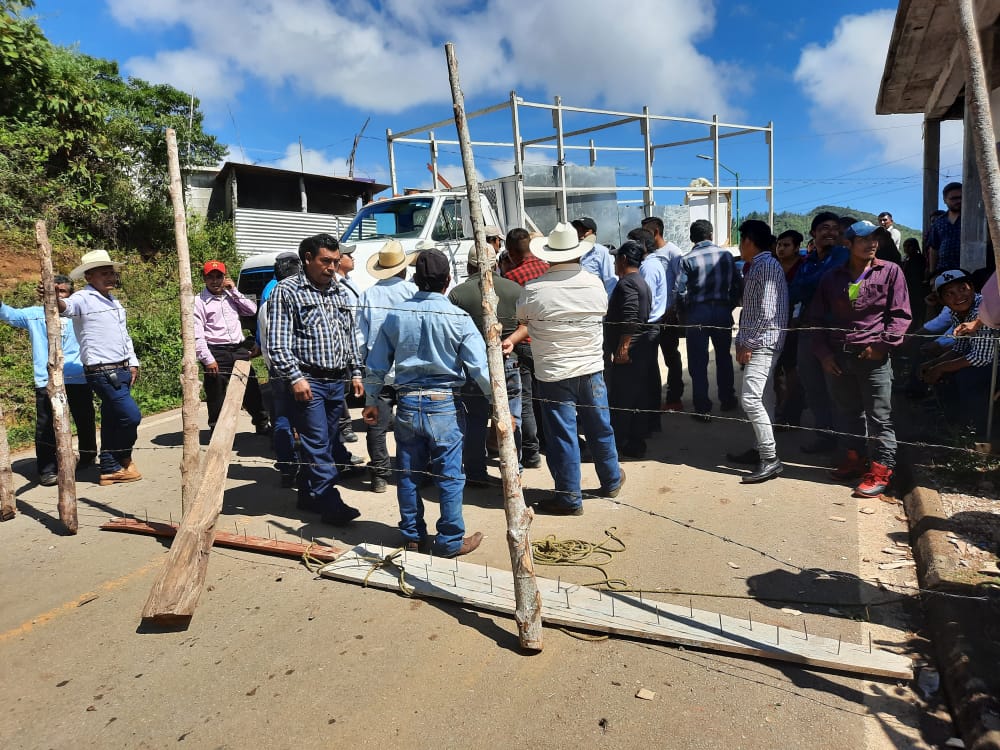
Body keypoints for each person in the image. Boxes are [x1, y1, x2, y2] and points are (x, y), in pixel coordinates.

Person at [363, 249, 487, 557]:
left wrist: (371, 399)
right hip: (444, 404)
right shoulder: (458, 317)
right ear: (447, 281)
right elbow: (480, 368)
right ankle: (449, 540)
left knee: (407, 474)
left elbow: (376, 365)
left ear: (416, 279)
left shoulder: (396, 315)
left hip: (407, 404)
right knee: (449, 475)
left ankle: (413, 536)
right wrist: (498, 407)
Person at [502, 223, 624, 515]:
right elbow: (603, 311)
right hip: (591, 367)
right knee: (600, 427)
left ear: (548, 256)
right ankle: (610, 479)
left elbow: (523, 319)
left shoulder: (533, 289)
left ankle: (569, 497)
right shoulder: (595, 283)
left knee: (563, 436)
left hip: (554, 371)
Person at [266, 233, 364, 526]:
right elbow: (277, 342)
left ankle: (308, 494)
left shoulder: (339, 292)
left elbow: (349, 337)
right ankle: (330, 502)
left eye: (335, 261)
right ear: (307, 259)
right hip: (308, 381)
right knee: (318, 443)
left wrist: (356, 371)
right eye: (325, 261)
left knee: (328, 440)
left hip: (336, 381)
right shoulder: (287, 291)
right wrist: (295, 378)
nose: (332, 267)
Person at [809, 221, 911, 498]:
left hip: (873, 358)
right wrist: (824, 355)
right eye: (864, 239)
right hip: (839, 358)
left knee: (880, 416)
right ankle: (853, 460)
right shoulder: (832, 277)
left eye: (875, 238)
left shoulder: (890, 272)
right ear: (849, 243)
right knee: (847, 413)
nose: (871, 243)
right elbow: (816, 319)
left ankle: (881, 470)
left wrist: (881, 346)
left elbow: (900, 316)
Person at [57, 249, 142, 486]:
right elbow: (66, 307)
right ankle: (121, 457)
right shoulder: (83, 298)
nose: (110, 277)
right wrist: (54, 299)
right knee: (131, 416)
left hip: (122, 368)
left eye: (111, 273)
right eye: (104, 273)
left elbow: (124, 335)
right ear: (89, 277)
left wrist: (133, 362)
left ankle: (108, 468)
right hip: (102, 371)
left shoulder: (114, 301)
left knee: (113, 417)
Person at [2, 275, 96, 485]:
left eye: (61, 291)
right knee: (45, 425)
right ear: (41, 293)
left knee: (84, 417)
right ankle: (47, 469)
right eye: (51, 291)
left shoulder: (76, 314)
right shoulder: (34, 315)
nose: (56, 295)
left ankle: (88, 456)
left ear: (69, 294)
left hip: (76, 375)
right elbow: (8, 314)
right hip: (47, 379)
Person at [449, 242, 523, 486]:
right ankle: (515, 469)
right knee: (512, 417)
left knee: (474, 422)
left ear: (469, 265)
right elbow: (526, 323)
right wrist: (510, 340)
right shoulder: (514, 289)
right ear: (496, 264)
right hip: (508, 361)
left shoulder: (458, 294)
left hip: (472, 368)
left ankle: (475, 473)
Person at [726, 220, 788, 483]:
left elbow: (765, 310)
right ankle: (759, 449)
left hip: (763, 342)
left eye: (741, 241)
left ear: (749, 241)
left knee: (750, 399)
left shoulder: (765, 265)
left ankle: (770, 458)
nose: (740, 246)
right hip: (764, 339)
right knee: (764, 398)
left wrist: (747, 343)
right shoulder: (762, 265)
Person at [356, 240, 419, 494]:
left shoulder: (368, 294)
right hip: (408, 369)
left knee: (376, 424)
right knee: (411, 425)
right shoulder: (411, 293)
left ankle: (379, 476)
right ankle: (409, 472)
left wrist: (361, 367)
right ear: (402, 267)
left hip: (377, 369)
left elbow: (360, 337)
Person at [789, 211, 849, 453]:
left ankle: (847, 445)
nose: (831, 232)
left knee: (837, 390)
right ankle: (825, 437)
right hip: (808, 331)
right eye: (824, 227)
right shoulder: (809, 261)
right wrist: (808, 285)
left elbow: (824, 281)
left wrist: (807, 285)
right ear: (813, 233)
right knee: (813, 388)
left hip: (834, 333)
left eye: (835, 228)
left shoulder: (843, 256)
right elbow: (794, 291)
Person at [672, 219, 742, 421]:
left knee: (698, 361)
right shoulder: (727, 256)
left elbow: (680, 291)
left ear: (692, 238)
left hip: (698, 313)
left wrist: (684, 312)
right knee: (723, 357)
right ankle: (727, 399)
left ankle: (702, 408)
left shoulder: (687, 259)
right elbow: (738, 284)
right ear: (711, 235)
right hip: (721, 311)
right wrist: (729, 305)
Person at [194, 260, 270, 434]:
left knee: (250, 386)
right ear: (204, 279)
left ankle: (261, 422)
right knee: (216, 393)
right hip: (216, 351)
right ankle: (216, 428)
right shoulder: (199, 301)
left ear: (224, 277)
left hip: (238, 348)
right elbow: (197, 333)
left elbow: (251, 310)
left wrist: (234, 291)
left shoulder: (231, 296)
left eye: (218, 276)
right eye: (210, 277)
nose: (215, 281)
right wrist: (207, 359)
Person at [920, 270, 998, 437]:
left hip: (994, 362)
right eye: (950, 294)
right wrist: (934, 364)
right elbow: (960, 347)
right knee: (941, 370)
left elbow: (981, 357)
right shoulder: (958, 313)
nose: (958, 296)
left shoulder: (982, 309)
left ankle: (982, 431)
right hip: (986, 358)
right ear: (942, 300)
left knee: (968, 377)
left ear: (972, 288)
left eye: (963, 288)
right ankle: (957, 424)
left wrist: (940, 368)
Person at [501, 227, 548, 469]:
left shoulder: (510, 279)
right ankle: (549, 441)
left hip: (523, 342)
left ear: (510, 252)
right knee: (549, 395)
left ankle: (532, 453)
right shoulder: (547, 267)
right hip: (548, 341)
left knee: (526, 400)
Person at [604, 240, 655, 458]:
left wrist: (623, 348)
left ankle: (621, 442)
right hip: (639, 349)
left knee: (623, 399)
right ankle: (634, 441)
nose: (615, 262)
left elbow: (631, 316)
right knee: (635, 396)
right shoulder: (639, 281)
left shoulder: (627, 284)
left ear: (624, 259)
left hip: (630, 351)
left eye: (616, 258)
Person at [258, 252, 302, 487]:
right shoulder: (296, 298)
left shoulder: (266, 305)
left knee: (282, 419)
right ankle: (307, 470)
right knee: (307, 420)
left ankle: (287, 467)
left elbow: (265, 342)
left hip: (276, 368)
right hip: (299, 370)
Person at [641, 216, 687, 411]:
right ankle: (651, 399)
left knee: (671, 358)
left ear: (656, 232)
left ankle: (674, 397)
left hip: (668, 316)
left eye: (646, 232)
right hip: (650, 317)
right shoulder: (646, 254)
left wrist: (673, 309)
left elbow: (682, 282)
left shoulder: (673, 253)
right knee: (650, 360)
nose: (643, 237)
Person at [628, 226, 667, 435]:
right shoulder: (650, 264)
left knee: (645, 377)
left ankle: (649, 421)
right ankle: (651, 420)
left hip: (647, 326)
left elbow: (645, 300)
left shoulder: (648, 268)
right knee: (648, 375)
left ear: (642, 245)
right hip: (649, 325)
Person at [772, 230, 804, 428]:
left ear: (796, 248)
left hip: (795, 324)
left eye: (786, 245)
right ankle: (779, 407)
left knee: (792, 369)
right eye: (779, 245)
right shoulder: (773, 266)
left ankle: (793, 409)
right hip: (774, 324)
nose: (781, 249)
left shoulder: (804, 266)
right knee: (775, 369)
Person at [335, 243, 361, 445]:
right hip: (344, 344)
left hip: (354, 341)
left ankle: (343, 426)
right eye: (348, 255)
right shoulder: (336, 285)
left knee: (344, 388)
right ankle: (342, 427)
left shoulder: (348, 281)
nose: (352, 258)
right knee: (340, 389)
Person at [571, 217, 617, 295]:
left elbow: (611, 282)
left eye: (584, 231)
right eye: (578, 231)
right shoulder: (570, 253)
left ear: (594, 234)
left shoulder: (602, 252)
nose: (580, 235)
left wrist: (608, 305)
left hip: (597, 303)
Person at [926, 182, 963, 277]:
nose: (959, 201)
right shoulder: (939, 222)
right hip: (944, 271)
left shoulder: (974, 219)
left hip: (968, 270)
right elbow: (934, 249)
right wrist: (932, 273)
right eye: (954, 198)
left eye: (961, 197)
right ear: (945, 200)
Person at [900, 237, 927, 329]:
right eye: (905, 246)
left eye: (909, 246)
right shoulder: (905, 260)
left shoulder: (920, 259)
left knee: (917, 312)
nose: (906, 248)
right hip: (907, 290)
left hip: (917, 290)